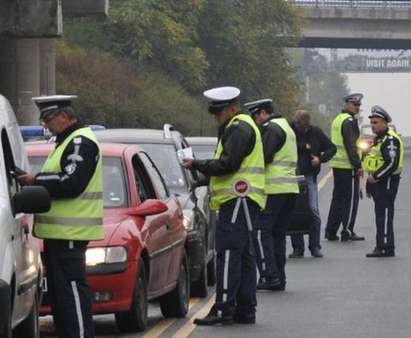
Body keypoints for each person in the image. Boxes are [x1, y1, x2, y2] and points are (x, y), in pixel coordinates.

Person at [18, 95, 104, 338]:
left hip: (70, 233)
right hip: (60, 235)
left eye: (48, 119)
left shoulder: (79, 142)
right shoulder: (67, 142)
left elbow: (71, 183)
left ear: (64, 117)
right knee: (61, 295)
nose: (46, 125)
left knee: (72, 291)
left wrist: (36, 180)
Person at [183, 87, 265, 325]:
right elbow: (227, 167)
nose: (216, 118)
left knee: (228, 253)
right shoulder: (237, 126)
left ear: (232, 108)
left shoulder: (238, 128)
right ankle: (245, 309)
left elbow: (228, 164)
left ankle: (223, 309)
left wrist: (197, 164)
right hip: (243, 198)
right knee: (244, 255)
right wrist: (201, 178)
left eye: (219, 113)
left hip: (237, 199)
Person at [245, 98, 298, 291]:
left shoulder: (271, 129)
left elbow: (263, 158)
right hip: (289, 189)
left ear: (262, 113)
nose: (255, 121)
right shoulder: (286, 127)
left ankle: (269, 275)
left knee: (260, 232)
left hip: (273, 189)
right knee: (278, 234)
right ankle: (279, 277)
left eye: (255, 116)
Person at [289, 110, 336, 258]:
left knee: (313, 210)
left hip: (309, 176)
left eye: (306, 127)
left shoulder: (315, 132)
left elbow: (331, 148)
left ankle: (315, 246)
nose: (304, 129)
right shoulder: (289, 132)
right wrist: (303, 147)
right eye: (301, 127)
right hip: (292, 177)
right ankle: (298, 248)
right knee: (293, 212)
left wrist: (320, 159)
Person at [364, 106, 403, 257]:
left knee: (385, 213)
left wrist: (376, 177)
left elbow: (391, 163)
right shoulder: (378, 139)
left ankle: (386, 246)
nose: (373, 125)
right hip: (378, 182)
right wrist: (369, 184)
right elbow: (373, 161)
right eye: (372, 123)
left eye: (376, 122)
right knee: (380, 213)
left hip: (386, 181)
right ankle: (381, 245)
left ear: (385, 123)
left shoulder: (390, 140)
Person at [325, 93, 365, 242]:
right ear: (347, 104)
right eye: (355, 105)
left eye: (359, 105)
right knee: (349, 200)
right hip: (347, 166)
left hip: (338, 165)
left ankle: (331, 230)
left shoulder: (338, 119)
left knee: (337, 199)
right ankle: (347, 230)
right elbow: (350, 145)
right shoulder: (349, 121)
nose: (357, 108)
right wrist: (357, 165)